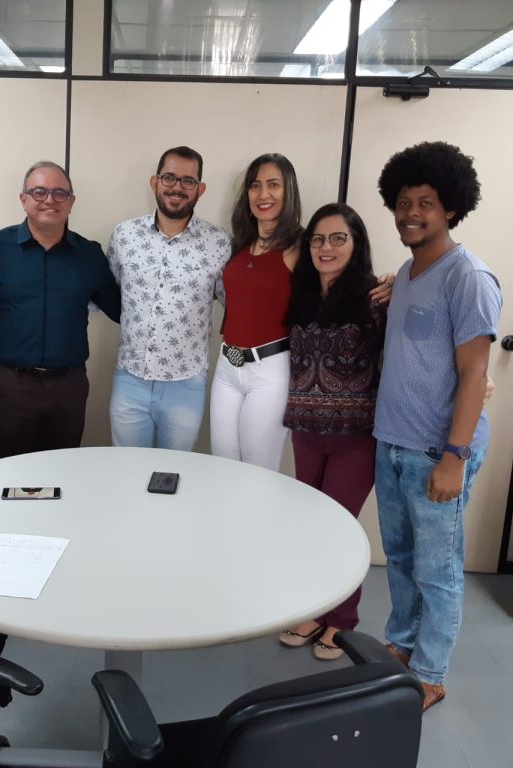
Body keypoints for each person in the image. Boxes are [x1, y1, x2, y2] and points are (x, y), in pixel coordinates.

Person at [374, 141, 502, 712]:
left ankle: (430, 673)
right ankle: (402, 644)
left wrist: (455, 456)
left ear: (451, 206)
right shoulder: (407, 272)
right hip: (392, 443)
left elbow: (474, 373)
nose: (411, 213)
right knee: (400, 559)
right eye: (403, 202)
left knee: (439, 570)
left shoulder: (468, 276)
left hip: (436, 452)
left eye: (425, 202)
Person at [210, 153, 391, 471]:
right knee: (222, 463)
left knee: (256, 472)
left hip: (270, 371)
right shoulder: (240, 243)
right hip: (227, 366)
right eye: (255, 185)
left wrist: (391, 283)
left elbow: (341, 279)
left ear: (288, 191)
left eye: (273, 185)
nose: (263, 194)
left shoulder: (300, 245)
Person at [278, 202, 385, 659]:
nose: (327, 247)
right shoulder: (303, 295)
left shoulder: (375, 298)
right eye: (318, 239)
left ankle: (342, 620)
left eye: (338, 238)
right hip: (306, 431)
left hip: (354, 438)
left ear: (356, 244)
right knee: (311, 527)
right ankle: (314, 609)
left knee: (341, 528)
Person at [0, 161, 121, 458]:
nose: (49, 200)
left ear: (71, 202)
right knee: (14, 472)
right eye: (39, 192)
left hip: (69, 385)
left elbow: (121, 310)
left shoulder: (89, 255)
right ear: (23, 199)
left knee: (62, 469)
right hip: (12, 384)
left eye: (59, 193)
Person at [107, 146, 230, 450]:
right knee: (127, 469)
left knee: (174, 472)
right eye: (169, 177)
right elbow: (109, 294)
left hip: (185, 383)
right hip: (130, 379)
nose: (177, 187)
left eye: (188, 181)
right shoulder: (124, 236)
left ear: (200, 189)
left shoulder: (219, 243)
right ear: (155, 182)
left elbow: (234, 304)